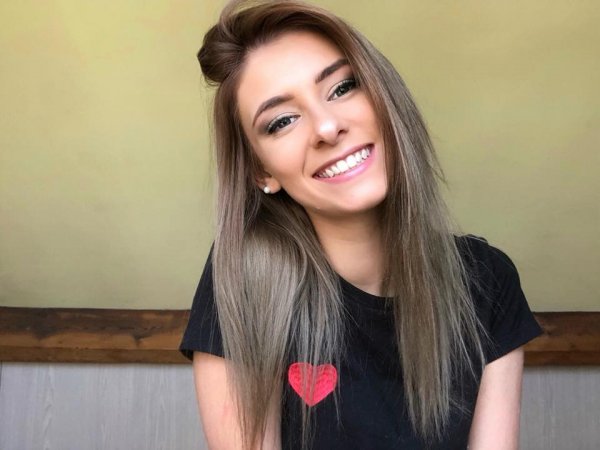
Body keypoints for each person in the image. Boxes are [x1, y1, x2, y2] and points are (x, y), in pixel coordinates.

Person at [180, 1, 542, 449]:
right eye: (282, 121)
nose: (327, 127)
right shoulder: (244, 279)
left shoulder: (488, 283)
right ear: (261, 172)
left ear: (385, 98)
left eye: (342, 87)